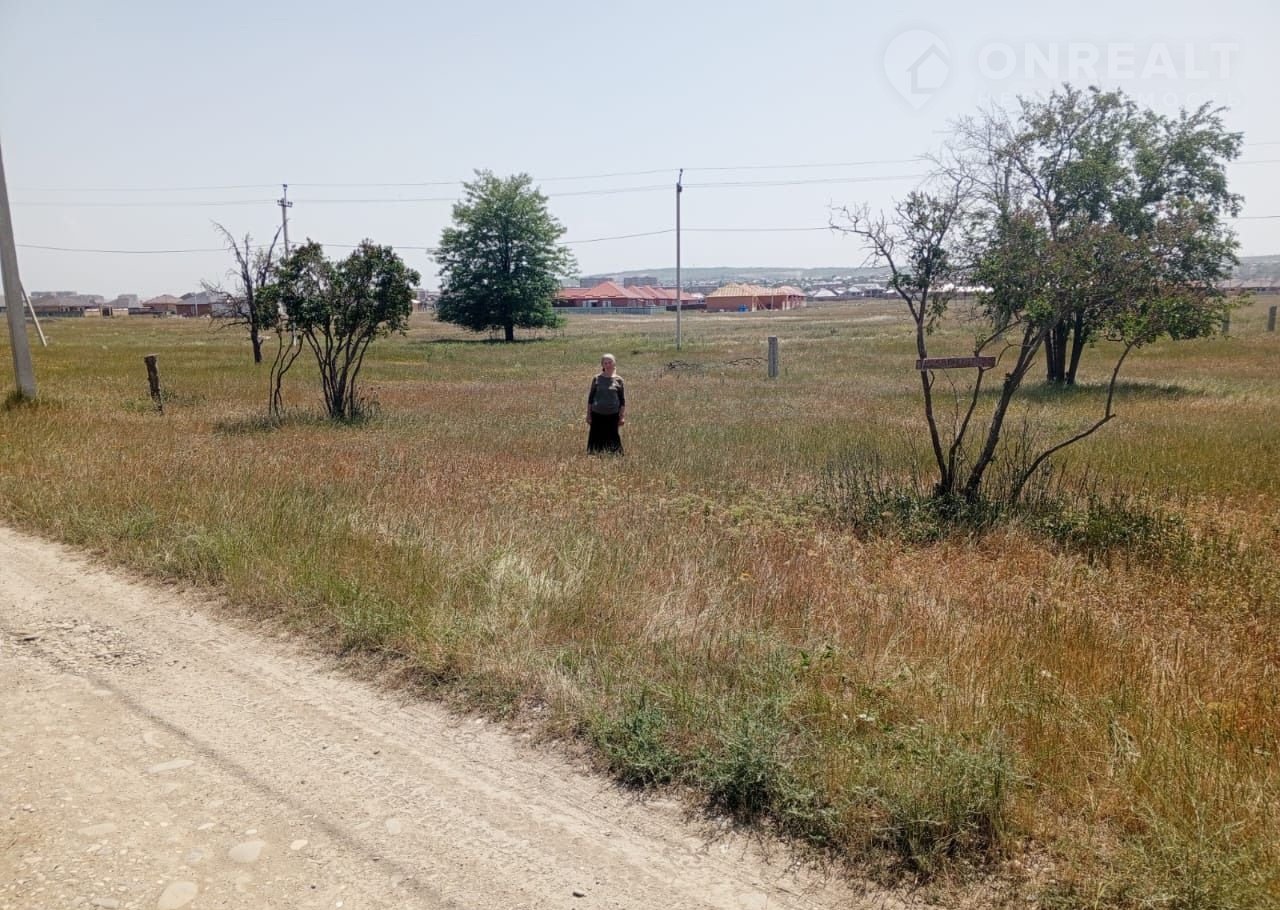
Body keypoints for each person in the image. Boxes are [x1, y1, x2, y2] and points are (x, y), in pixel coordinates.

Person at [586, 353, 626, 454]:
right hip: (597, 413)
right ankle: (594, 456)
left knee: (613, 437)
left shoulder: (619, 380)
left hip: (613, 414)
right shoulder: (596, 378)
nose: (608, 365)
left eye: (610, 362)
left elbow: (622, 400)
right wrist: (588, 415)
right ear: (602, 365)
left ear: (614, 363)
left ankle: (614, 456)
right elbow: (590, 398)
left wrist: (621, 417)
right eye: (605, 363)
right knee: (596, 437)